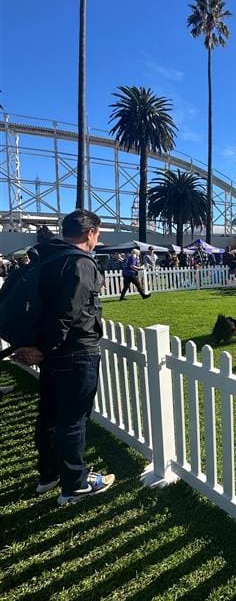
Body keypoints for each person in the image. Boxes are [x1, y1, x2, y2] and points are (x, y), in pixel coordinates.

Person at [13, 209, 115, 505]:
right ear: (90, 233)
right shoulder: (80, 263)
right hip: (74, 351)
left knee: (49, 414)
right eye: (98, 234)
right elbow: (66, 314)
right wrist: (44, 348)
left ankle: (49, 475)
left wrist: (40, 349)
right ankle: (75, 484)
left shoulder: (47, 257)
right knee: (73, 419)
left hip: (51, 354)